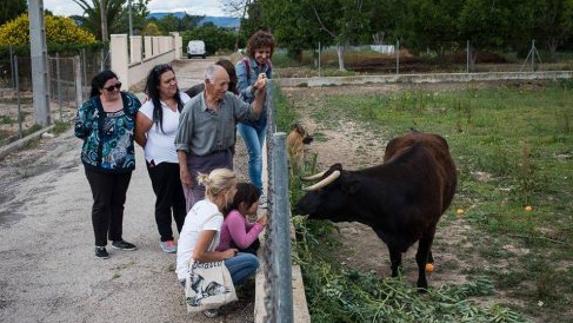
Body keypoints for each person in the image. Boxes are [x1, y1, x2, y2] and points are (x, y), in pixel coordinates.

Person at [175, 64, 267, 211]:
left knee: (224, 207)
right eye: (222, 84)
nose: (225, 88)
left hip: (224, 162)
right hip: (200, 168)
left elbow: (252, 114)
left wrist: (260, 93)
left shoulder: (230, 100)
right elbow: (181, 144)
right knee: (200, 209)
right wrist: (184, 171)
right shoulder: (191, 109)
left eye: (227, 84)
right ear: (207, 83)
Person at [74, 70, 141, 259]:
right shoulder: (89, 107)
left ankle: (117, 238)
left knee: (118, 201)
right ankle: (100, 244)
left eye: (118, 85)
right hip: (97, 164)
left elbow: (140, 122)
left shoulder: (130, 101)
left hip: (124, 162)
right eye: (110, 88)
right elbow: (80, 131)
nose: (115, 90)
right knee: (102, 203)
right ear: (99, 89)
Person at [176, 169, 259, 318]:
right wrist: (223, 255)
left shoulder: (201, 205)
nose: (235, 191)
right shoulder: (214, 215)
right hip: (192, 275)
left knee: (242, 256)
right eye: (233, 188)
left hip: (184, 271)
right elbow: (198, 254)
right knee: (251, 261)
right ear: (225, 192)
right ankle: (208, 298)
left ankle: (204, 292)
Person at [135, 64, 191, 254]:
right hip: (160, 161)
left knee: (182, 200)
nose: (173, 83)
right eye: (167, 81)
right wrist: (151, 149)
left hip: (184, 159)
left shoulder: (184, 99)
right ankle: (166, 237)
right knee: (165, 199)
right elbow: (139, 134)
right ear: (157, 86)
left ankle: (185, 234)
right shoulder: (149, 108)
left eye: (173, 79)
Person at [235, 30, 275, 195]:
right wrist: (255, 87)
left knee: (259, 154)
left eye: (267, 52)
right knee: (256, 155)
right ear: (253, 50)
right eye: (260, 52)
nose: (264, 56)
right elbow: (240, 91)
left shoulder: (268, 66)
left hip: (263, 118)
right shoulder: (242, 66)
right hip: (246, 118)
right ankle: (257, 192)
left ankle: (256, 191)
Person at [218, 183, 266, 255]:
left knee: (255, 242)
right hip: (222, 252)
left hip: (231, 244)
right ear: (243, 205)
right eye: (256, 202)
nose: (258, 205)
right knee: (251, 258)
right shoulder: (234, 216)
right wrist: (259, 226)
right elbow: (243, 244)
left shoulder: (237, 212)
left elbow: (243, 227)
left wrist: (256, 224)